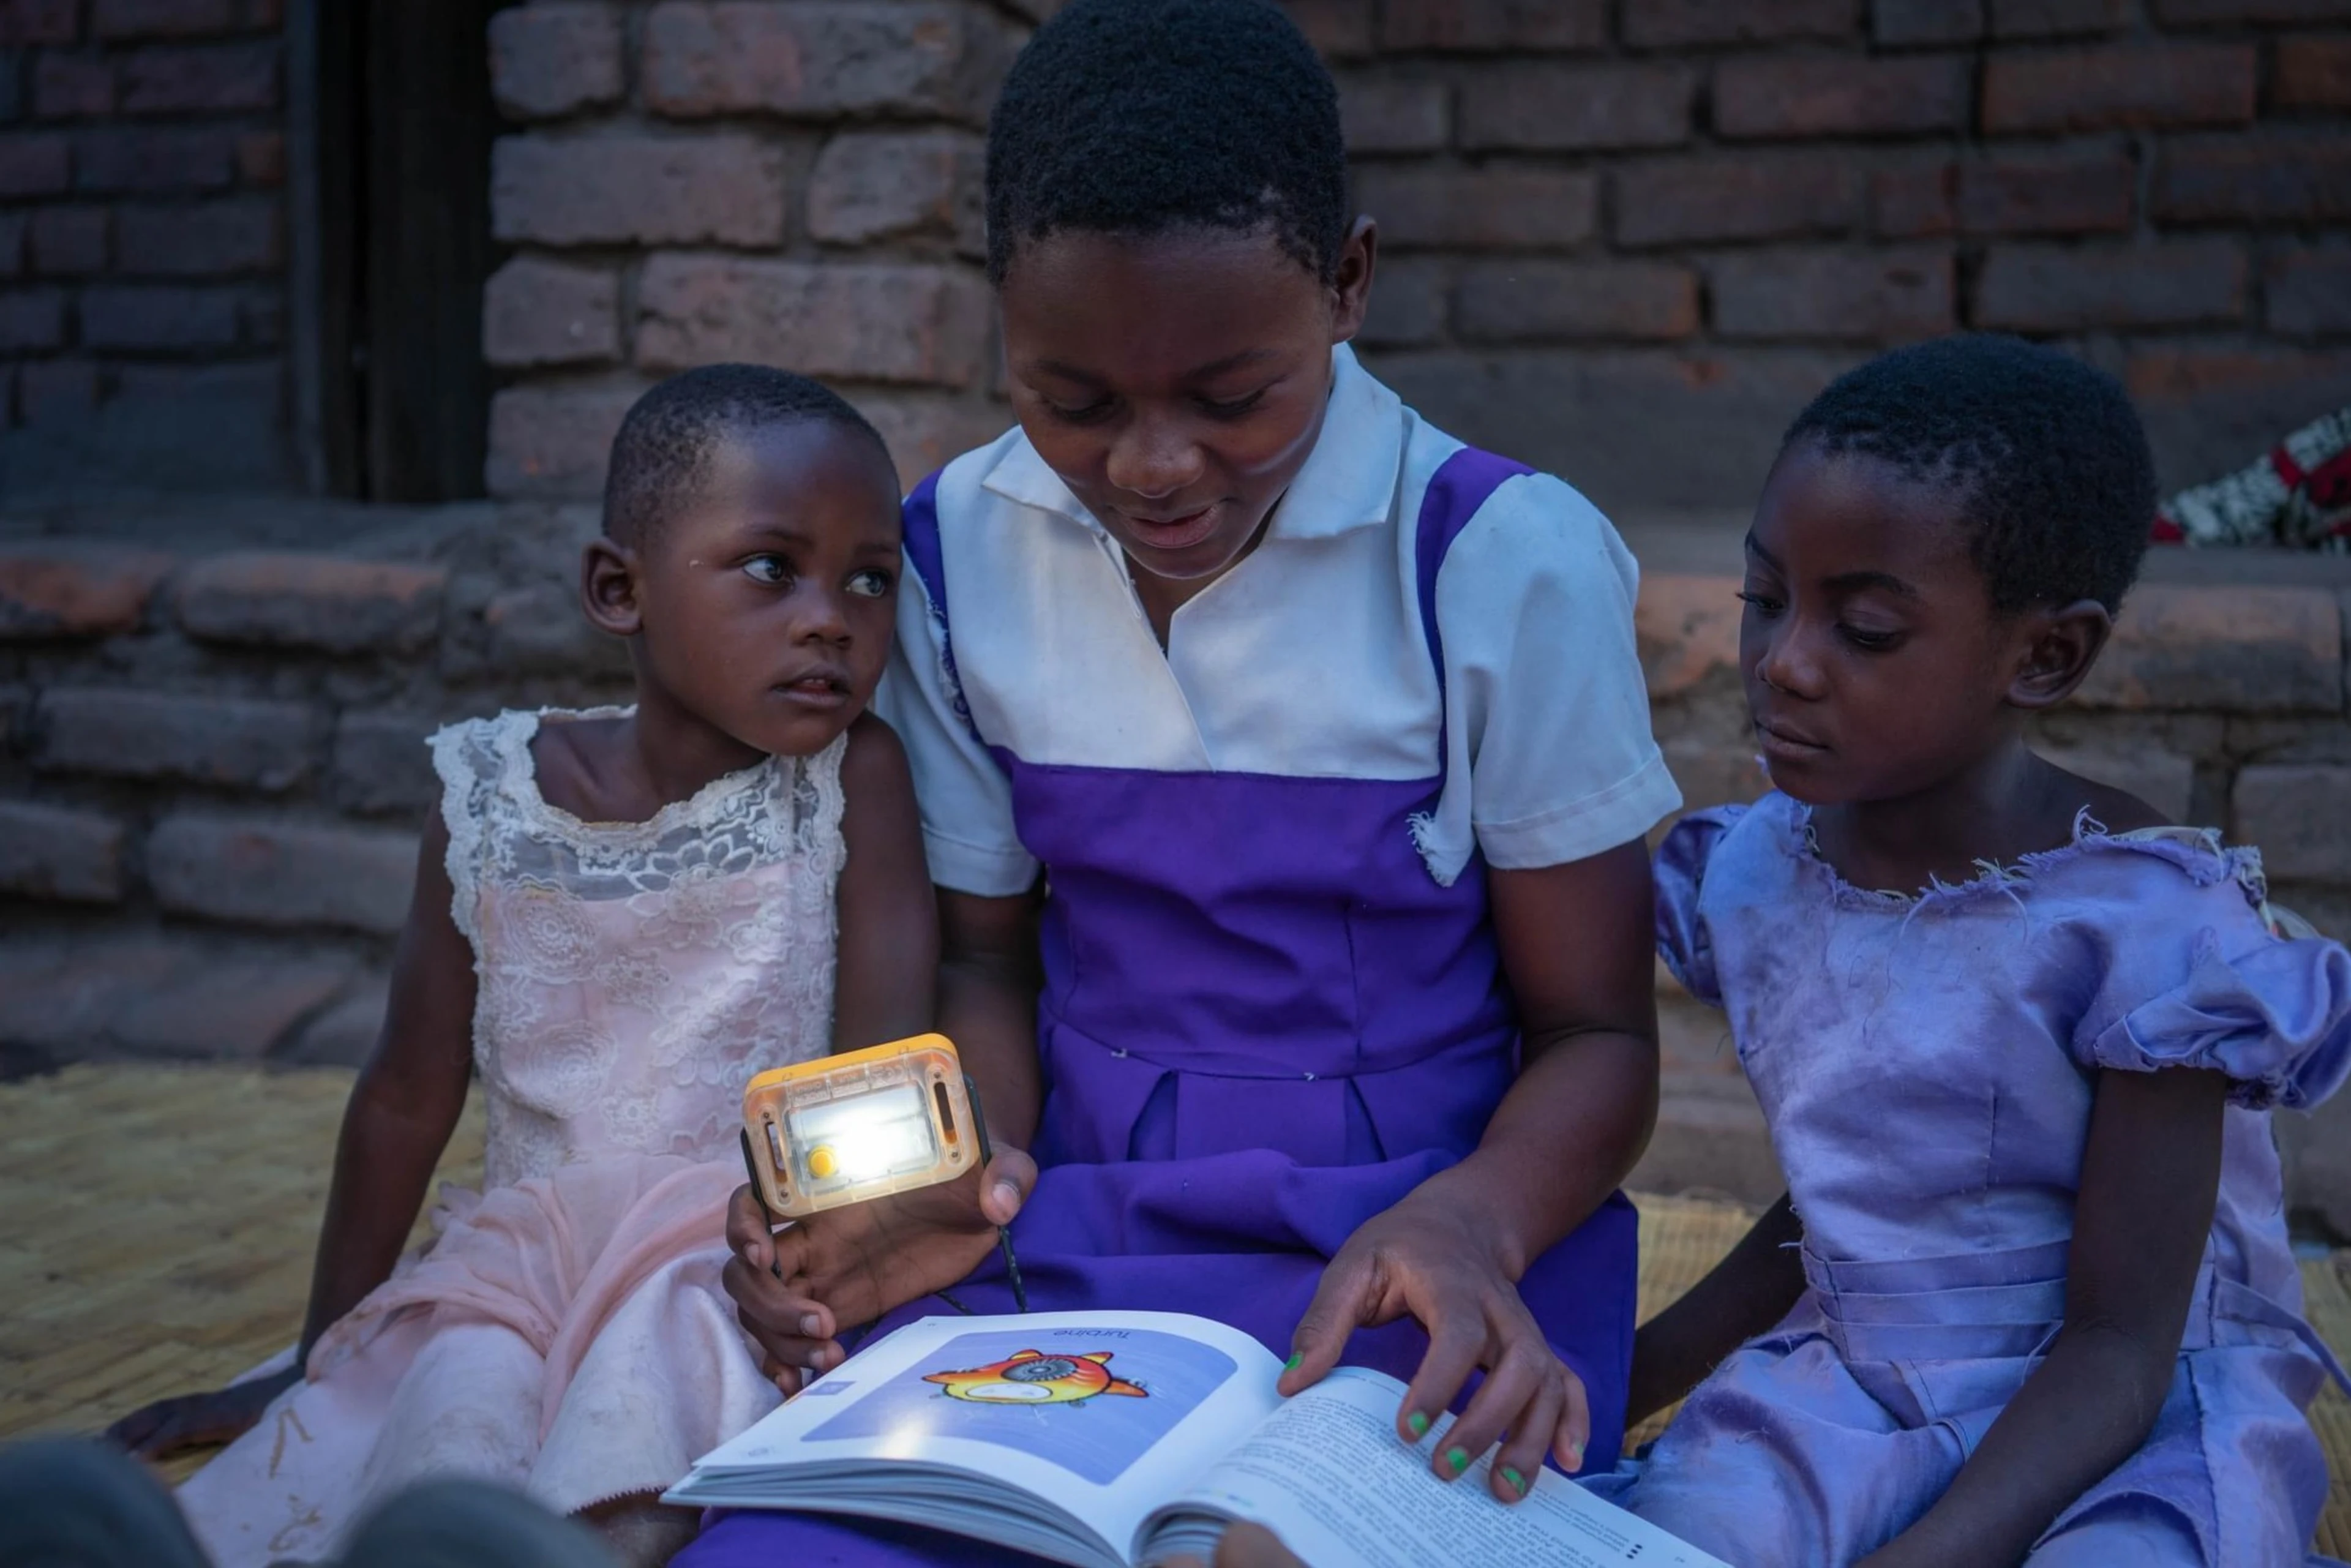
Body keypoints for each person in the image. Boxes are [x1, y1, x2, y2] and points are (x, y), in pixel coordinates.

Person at [691, 1, 1678, 1562]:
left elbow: (1599, 1034)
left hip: (1427, 1248)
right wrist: (959, 1181)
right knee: (794, 1548)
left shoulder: (1493, 559)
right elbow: (986, 960)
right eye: (1075, 402)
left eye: (1234, 398)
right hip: (1080, 1229)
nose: (1154, 466)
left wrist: (1472, 1218)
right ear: (1003, 320)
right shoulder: (953, 554)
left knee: (1267, 1549)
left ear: (1348, 284)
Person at [105, 366, 937, 1567]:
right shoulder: (494, 798)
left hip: (734, 1260)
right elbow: (405, 1092)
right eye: (773, 566)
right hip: (519, 1268)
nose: (832, 617)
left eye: (871, 578)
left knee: (653, 1401)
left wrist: (826, 1285)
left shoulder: (854, 784)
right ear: (619, 589)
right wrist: (315, 1352)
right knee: (440, 1422)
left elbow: (883, 1079)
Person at [1586, 336, 2351, 1566]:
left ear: (2044, 655)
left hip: (2120, 1412)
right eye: (1765, 598)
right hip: (1853, 1381)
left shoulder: (2148, 927)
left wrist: (1928, 1554)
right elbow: (1838, 1215)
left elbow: (2121, 1341)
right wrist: (1609, 1383)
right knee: (1678, 1531)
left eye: (1868, 628)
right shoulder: (1760, 874)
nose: (1783, 661)